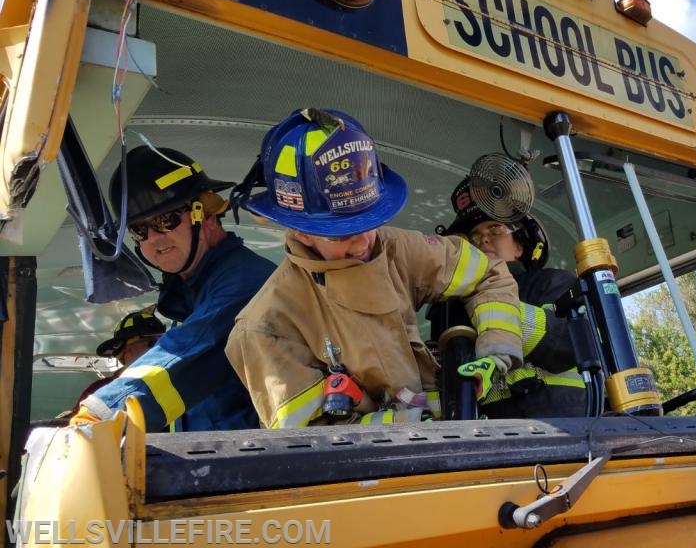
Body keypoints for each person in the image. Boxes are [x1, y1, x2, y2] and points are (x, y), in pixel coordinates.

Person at [225, 108, 523, 428]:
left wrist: (496, 355)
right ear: (300, 230)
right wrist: (407, 425)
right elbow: (314, 443)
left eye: (370, 219)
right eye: (343, 233)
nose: (364, 242)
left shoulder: (394, 247)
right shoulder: (264, 326)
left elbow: (490, 274)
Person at [72, 145, 276, 431]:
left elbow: (183, 358)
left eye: (164, 220)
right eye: (139, 230)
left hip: (258, 465)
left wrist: (99, 417)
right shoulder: (189, 293)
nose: (154, 238)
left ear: (204, 213)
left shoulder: (246, 283)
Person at [437, 177, 587, 418]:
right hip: (486, 442)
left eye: (495, 230)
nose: (483, 239)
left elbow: (569, 344)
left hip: (564, 431)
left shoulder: (550, 282)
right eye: (474, 236)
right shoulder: (450, 308)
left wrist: (492, 310)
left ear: (519, 247)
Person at [58, 308, 166, 418]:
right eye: (152, 343)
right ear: (128, 351)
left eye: (164, 341)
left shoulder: (174, 382)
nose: (161, 348)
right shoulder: (99, 390)